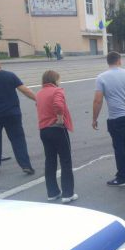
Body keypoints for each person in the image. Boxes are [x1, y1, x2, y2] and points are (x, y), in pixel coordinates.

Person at [92, 52, 125, 186]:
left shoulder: (101, 78)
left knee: (119, 147)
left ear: (108, 62)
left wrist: (94, 118)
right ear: (119, 60)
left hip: (116, 118)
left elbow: (98, 100)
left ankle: (122, 177)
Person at [0, 58, 36, 174]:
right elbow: (24, 90)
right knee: (18, 139)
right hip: (12, 114)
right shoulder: (10, 75)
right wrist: (38, 100)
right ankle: (25, 165)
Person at [36, 70, 77, 203]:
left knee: (50, 160)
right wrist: (60, 118)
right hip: (57, 129)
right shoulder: (57, 91)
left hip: (44, 130)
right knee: (65, 160)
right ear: (55, 80)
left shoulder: (39, 93)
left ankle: (52, 192)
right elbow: (58, 105)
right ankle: (68, 194)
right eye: (59, 79)